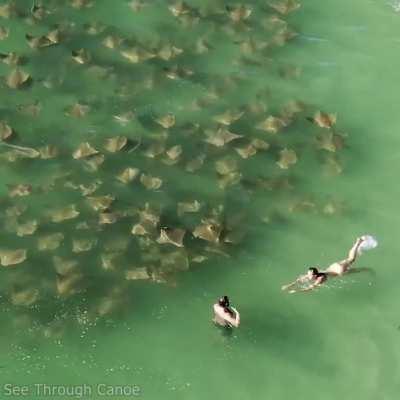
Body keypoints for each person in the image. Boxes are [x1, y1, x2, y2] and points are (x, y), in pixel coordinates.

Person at [282, 236, 366, 293]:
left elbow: (311, 288)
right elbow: (299, 280)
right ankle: (358, 244)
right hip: (334, 266)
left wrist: (296, 291)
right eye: (308, 274)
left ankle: (359, 243)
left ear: (315, 275)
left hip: (339, 271)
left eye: (310, 274)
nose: (308, 275)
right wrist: (289, 285)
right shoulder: (313, 274)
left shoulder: (321, 278)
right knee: (349, 259)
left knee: (351, 260)